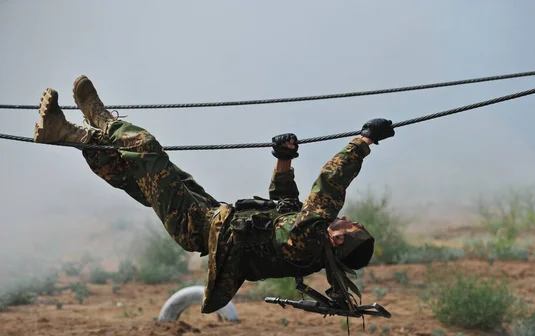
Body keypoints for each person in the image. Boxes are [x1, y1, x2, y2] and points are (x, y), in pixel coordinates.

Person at [32, 76, 396, 314]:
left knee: (145, 150)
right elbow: (285, 204)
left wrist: (363, 141)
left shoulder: (309, 242)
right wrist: (284, 159)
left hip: (199, 226)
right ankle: (64, 131)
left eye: (350, 225)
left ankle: (100, 119)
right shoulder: (305, 241)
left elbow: (330, 185)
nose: (348, 219)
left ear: (337, 238)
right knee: (137, 174)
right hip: (210, 215)